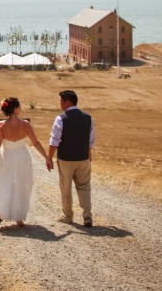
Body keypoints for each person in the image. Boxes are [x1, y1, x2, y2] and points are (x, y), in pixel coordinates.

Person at [0, 96, 50, 228]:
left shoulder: (1, 125)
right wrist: (46, 157)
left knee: (5, 183)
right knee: (22, 184)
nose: (21, 108)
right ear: (15, 109)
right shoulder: (26, 124)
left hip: (7, 157)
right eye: (19, 106)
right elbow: (36, 142)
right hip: (23, 156)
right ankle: (19, 217)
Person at [46, 89, 95, 227]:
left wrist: (49, 157)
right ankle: (87, 216)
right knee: (84, 186)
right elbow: (91, 139)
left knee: (65, 188)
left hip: (66, 159)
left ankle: (68, 216)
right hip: (83, 158)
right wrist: (88, 152)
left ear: (67, 102)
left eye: (61, 101)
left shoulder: (61, 118)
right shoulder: (88, 117)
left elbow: (54, 140)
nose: (60, 103)